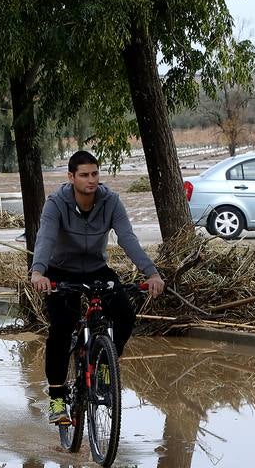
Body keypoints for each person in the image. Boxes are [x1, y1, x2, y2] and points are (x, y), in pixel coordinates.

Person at [30, 151, 165, 424]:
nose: (91, 180)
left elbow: (127, 238)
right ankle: (57, 399)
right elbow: (45, 238)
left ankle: (105, 363)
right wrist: (38, 272)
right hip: (60, 272)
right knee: (61, 327)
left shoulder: (111, 201)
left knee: (125, 314)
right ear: (71, 177)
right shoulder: (56, 203)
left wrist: (151, 273)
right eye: (84, 175)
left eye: (94, 174)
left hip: (96, 270)